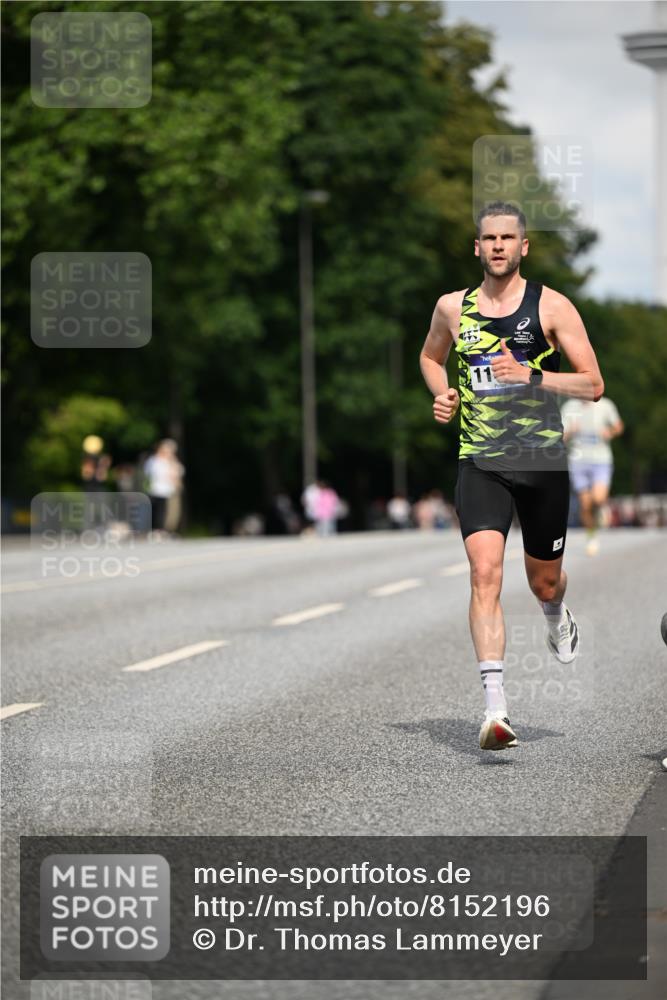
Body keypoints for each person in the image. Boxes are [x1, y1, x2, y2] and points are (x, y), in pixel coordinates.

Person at [419, 201, 605, 751]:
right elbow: (431, 358)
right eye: (488, 238)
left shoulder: (552, 306)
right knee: (484, 574)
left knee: (543, 579)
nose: (497, 246)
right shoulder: (452, 308)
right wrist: (443, 393)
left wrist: (534, 375)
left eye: (507, 238)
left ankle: (555, 613)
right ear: (476, 247)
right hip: (481, 462)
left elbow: (593, 384)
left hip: (542, 462)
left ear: (523, 247)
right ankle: (495, 711)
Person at [561, 396, 623, 555]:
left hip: (601, 460)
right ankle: (592, 536)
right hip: (577, 461)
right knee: (585, 504)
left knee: (598, 498)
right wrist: (569, 432)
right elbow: (559, 436)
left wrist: (610, 432)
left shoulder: (605, 405)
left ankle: (601, 509)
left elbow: (618, 426)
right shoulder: (569, 407)